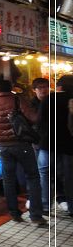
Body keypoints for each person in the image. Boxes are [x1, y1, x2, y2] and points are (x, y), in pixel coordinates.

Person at [0, 80, 46, 225]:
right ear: (11, 88)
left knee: (8, 180)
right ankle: (36, 216)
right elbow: (34, 118)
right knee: (32, 177)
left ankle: (14, 213)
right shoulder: (18, 100)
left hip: (3, 147)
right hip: (22, 144)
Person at [39, 75, 73, 216]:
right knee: (69, 176)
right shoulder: (71, 100)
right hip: (69, 145)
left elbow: (40, 122)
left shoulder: (48, 99)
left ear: (59, 86)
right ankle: (71, 207)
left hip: (48, 143)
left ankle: (46, 206)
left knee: (45, 174)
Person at [32, 78, 52, 213]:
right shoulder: (31, 104)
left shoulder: (53, 101)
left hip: (54, 141)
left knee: (53, 172)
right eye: (40, 87)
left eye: (45, 87)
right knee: (42, 173)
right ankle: (45, 203)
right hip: (38, 143)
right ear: (34, 90)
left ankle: (57, 198)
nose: (43, 90)